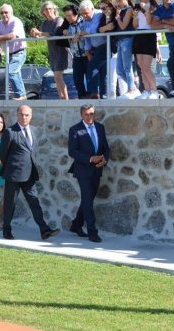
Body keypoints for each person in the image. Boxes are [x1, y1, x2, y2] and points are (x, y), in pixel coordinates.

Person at [0, 105, 60, 240]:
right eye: (21, 114)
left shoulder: (34, 131)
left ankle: (44, 230)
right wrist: (12, 167)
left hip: (29, 174)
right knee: (10, 204)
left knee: (34, 202)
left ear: (31, 116)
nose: (24, 117)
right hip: (14, 174)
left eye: (27, 115)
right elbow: (2, 154)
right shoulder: (10, 132)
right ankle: (6, 230)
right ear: (17, 115)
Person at [68, 104, 110, 243]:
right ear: (81, 115)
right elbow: (72, 151)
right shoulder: (75, 130)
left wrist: (104, 160)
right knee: (87, 200)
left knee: (88, 200)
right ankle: (92, 231)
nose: (89, 117)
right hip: (83, 171)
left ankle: (76, 225)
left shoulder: (100, 127)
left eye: (91, 114)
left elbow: (105, 148)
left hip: (97, 170)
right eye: (86, 114)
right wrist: (91, 159)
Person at [31, 1, 70, 99]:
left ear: (54, 9)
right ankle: (61, 98)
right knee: (56, 77)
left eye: (50, 8)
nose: (48, 11)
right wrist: (35, 34)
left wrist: (40, 33)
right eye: (46, 9)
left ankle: (65, 99)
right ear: (43, 12)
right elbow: (43, 36)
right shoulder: (44, 23)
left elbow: (55, 34)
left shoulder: (59, 20)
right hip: (52, 52)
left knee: (57, 76)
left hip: (61, 51)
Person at [0, 4, 28, 100]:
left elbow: (12, 36)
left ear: (11, 13)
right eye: (2, 13)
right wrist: (2, 38)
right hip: (9, 53)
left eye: (6, 12)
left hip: (19, 52)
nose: (4, 15)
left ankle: (21, 95)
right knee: (15, 74)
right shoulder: (0, 23)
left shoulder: (16, 22)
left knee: (10, 72)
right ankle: (21, 96)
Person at [133, 0, 161, 99]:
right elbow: (135, 25)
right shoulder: (137, 7)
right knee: (140, 66)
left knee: (146, 66)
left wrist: (146, 9)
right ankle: (146, 90)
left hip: (149, 35)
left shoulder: (153, 7)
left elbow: (149, 22)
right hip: (139, 35)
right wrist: (135, 16)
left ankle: (154, 91)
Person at [77, 0, 107, 99]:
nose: (84, 16)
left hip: (104, 45)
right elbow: (87, 36)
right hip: (95, 48)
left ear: (92, 9)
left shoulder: (99, 15)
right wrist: (87, 50)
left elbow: (94, 29)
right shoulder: (84, 19)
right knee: (102, 72)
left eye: (86, 13)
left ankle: (94, 93)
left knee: (92, 68)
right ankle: (103, 95)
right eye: (82, 14)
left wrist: (82, 33)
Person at [113, 0, 139, 99]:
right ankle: (133, 87)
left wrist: (118, 18)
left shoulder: (128, 10)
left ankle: (131, 89)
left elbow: (123, 26)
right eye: (116, 1)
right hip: (120, 41)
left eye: (119, 1)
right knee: (119, 69)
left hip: (127, 39)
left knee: (127, 67)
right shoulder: (121, 10)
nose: (118, 3)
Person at [63, 4, 88, 99]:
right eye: (66, 16)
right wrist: (64, 33)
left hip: (87, 55)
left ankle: (92, 96)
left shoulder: (84, 22)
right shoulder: (68, 26)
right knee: (77, 79)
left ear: (76, 14)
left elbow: (89, 33)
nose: (67, 18)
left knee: (90, 78)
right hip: (76, 57)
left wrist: (80, 35)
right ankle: (82, 97)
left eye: (69, 15)